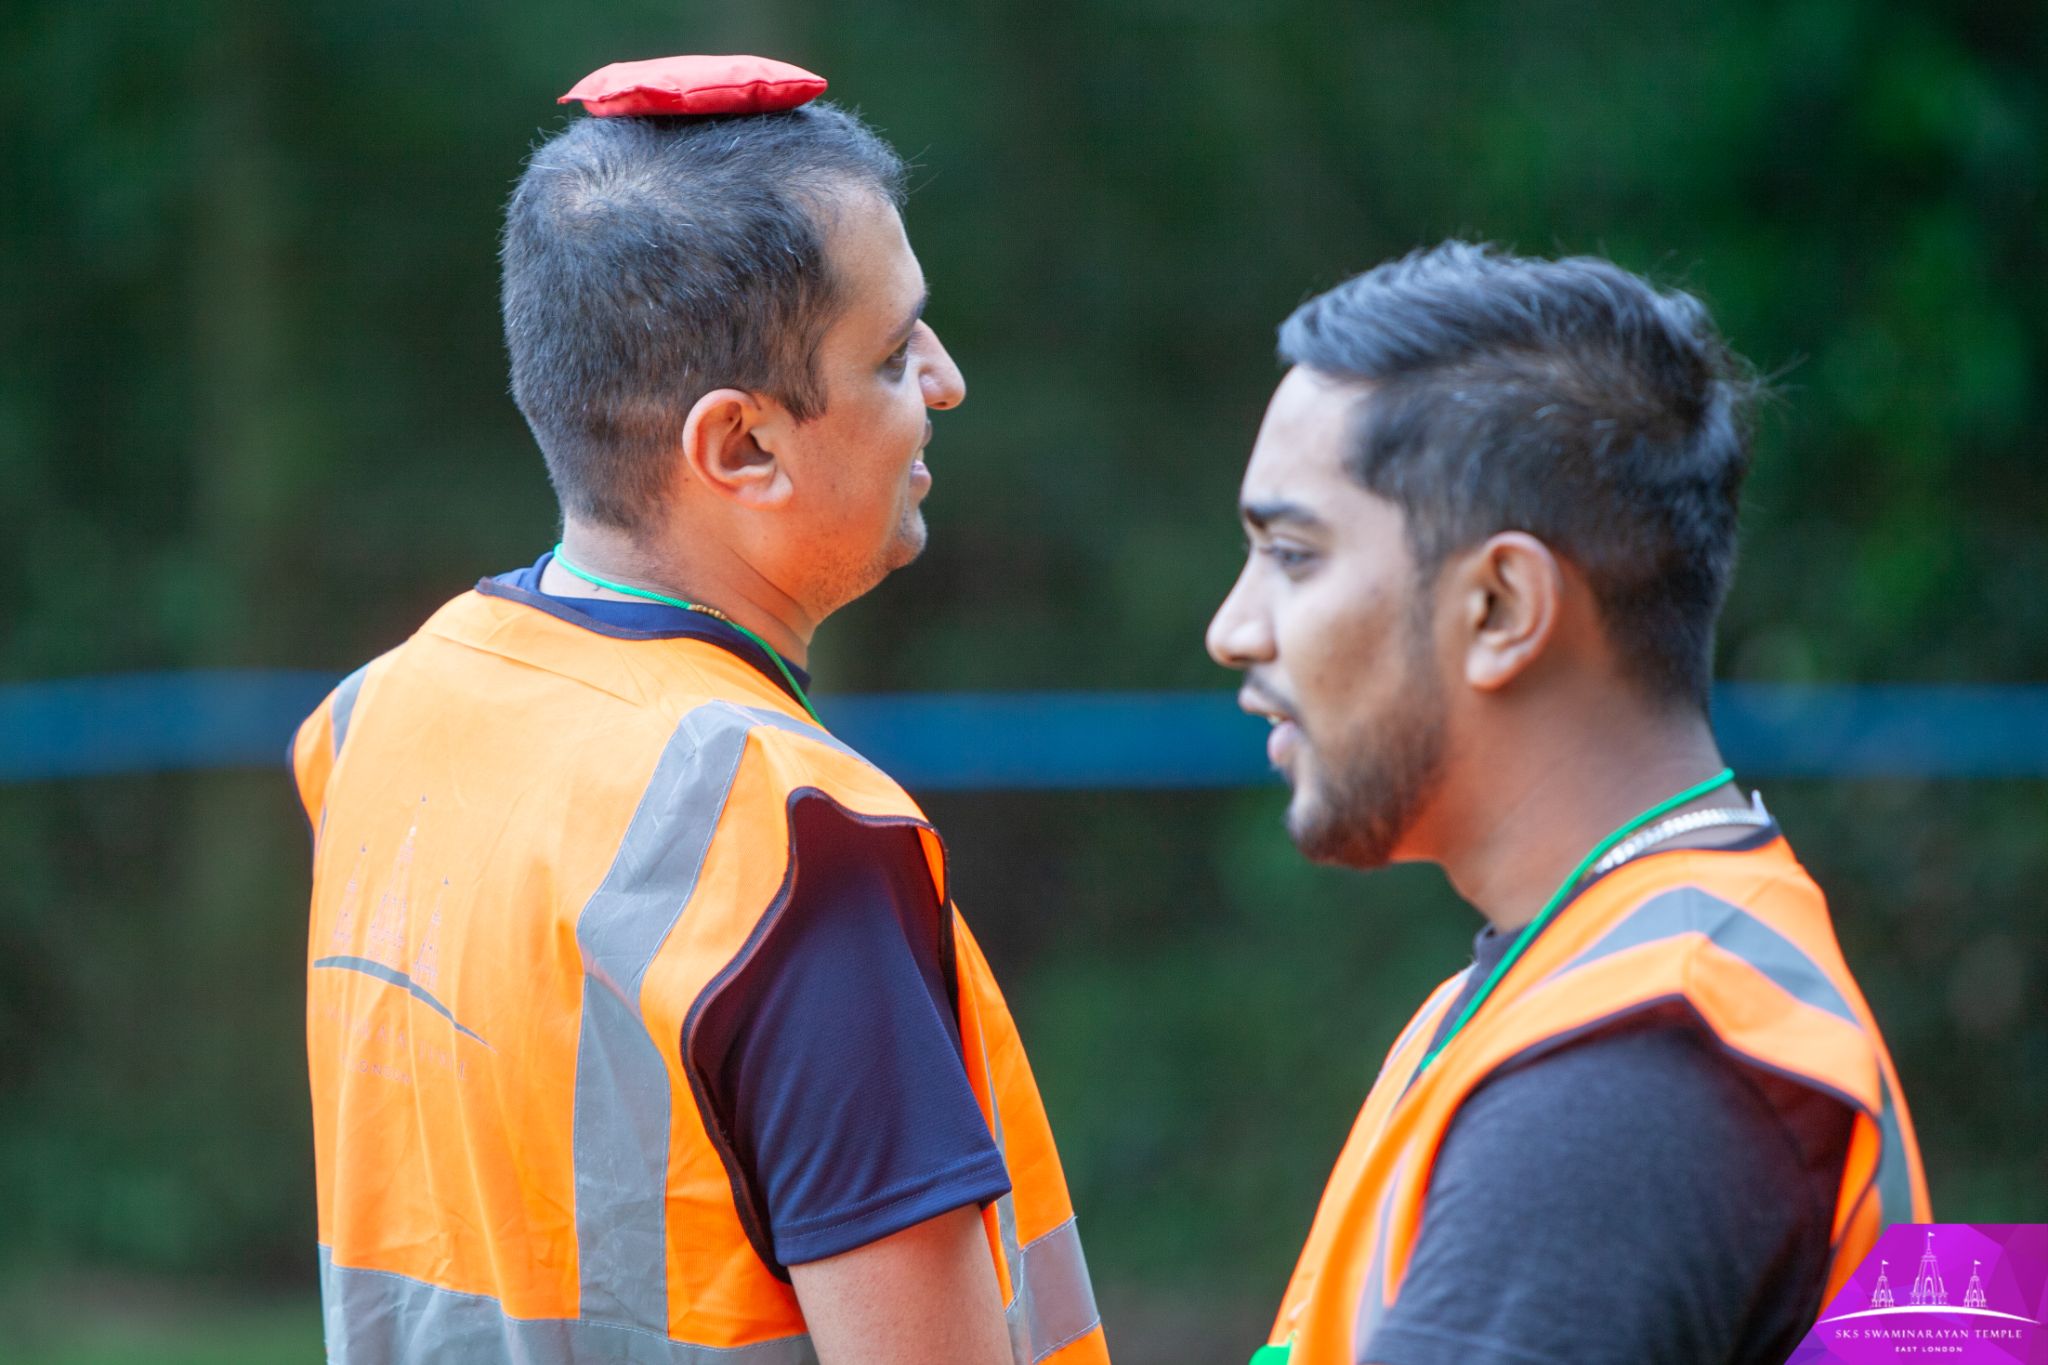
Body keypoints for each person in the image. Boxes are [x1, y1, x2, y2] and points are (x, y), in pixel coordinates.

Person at [292, 55, 1106, 1365]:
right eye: (895, 353)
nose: (945, 381)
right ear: (743, 447)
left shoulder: (379, 721)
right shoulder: (790, 843)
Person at [1206, 242, 1930, 1365]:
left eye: (1291, 555)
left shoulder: (1635, 1073)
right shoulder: (1651, 982)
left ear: (1500, 606)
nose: (1233, 629)